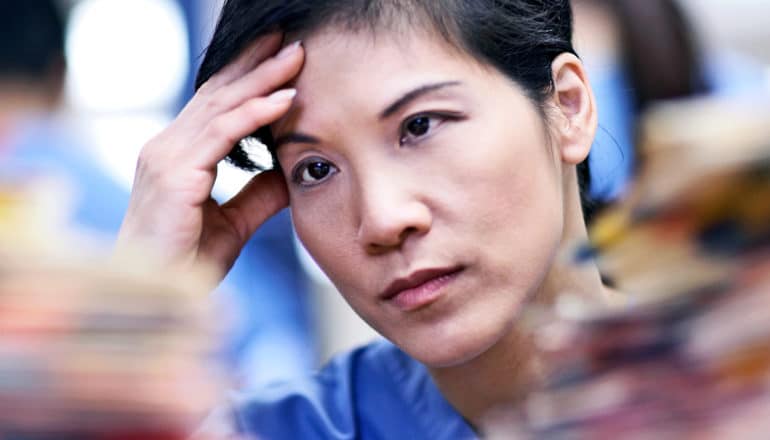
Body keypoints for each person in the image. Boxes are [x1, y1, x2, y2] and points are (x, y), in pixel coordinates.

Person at [118, 0, 611, 437]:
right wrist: (130, 307)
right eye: (316, 170)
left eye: (419, 126)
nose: (381, 220)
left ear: (569, 105)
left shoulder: (688, 384)